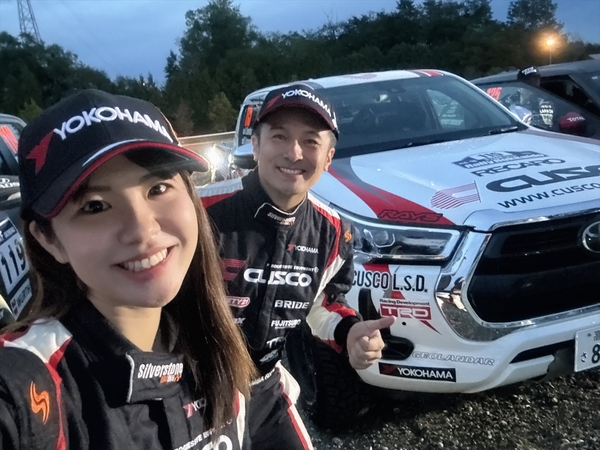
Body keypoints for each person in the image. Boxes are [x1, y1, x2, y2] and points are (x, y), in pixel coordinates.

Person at [0, 89, 255, 450]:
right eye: (95, 206)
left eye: (158, 188)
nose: (142, 230)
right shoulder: (30, 384)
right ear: (48, 239)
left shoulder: (213, 339)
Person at [199, 84, 395, 450]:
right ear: (255, 145)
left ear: (328, 157)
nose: (294, 152)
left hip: (263, 389)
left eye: (310, 141)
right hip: (191, 391)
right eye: (279, 137)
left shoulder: (333, 231)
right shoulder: (197, 211)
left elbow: (323, 303)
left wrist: (349, 331)